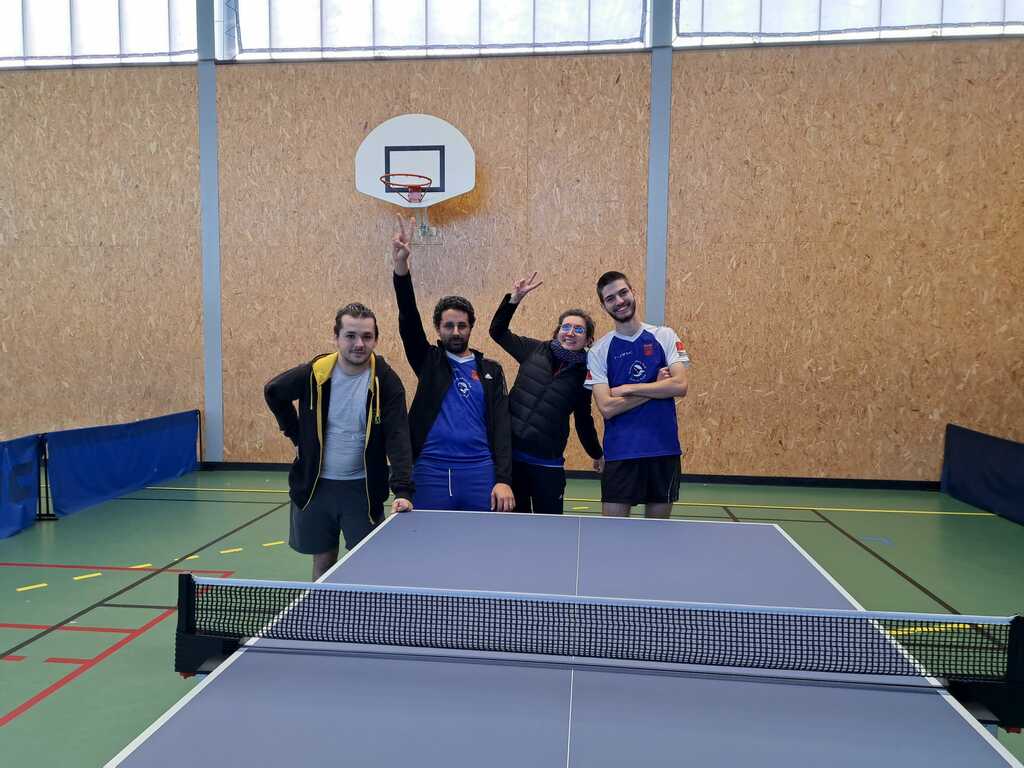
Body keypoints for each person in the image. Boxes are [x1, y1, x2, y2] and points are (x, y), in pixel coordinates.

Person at [264, 303, 414, 579]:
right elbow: (273, 391)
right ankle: (323, 606)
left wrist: (403, 490)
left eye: (367, 336)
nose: (359, 344)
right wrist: (296, 435)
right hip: (315, 486)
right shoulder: (314, 374)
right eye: (350, 336)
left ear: (376, 339)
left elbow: (398, 437)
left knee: (369, 565)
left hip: (362, 489)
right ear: (336, 337)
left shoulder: (386, 381)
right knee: (323, 562)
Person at [390, 216, 515, 512]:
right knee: (428, 540)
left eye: (462, 325)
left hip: (480, 471)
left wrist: (503, 479)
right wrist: (401, 268)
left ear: (471, 327)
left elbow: (502, 427)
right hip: (430, 470)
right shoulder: (428, 361)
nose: (456, 331)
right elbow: (408, 318)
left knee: (479, 540)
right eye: (448, 326)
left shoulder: (491, 370)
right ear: (438, 328)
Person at [488, 272, 603, 513]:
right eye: (566, 327)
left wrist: (596, 453)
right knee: (512, 526)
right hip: (512, 461)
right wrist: (514, 299)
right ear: (557, 331)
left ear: (588, 340)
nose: (570, 333)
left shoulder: (585, 374)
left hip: (548, 464)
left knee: (549, 527)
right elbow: (497, 331)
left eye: (578, 330)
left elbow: (583, 420)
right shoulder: (533, 350)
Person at [586, 271, 691, 518]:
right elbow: (607, 407)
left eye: (623, 293)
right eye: (610, 298)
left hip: (663, 450)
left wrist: (629, 388)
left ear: (633, 292)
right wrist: (657, 387)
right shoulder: (599, 351)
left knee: (657, 534)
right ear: (603, 306)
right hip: (620, 453)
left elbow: (680, 386)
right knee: (612, 535)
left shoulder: (664, 335)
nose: (619, 301)